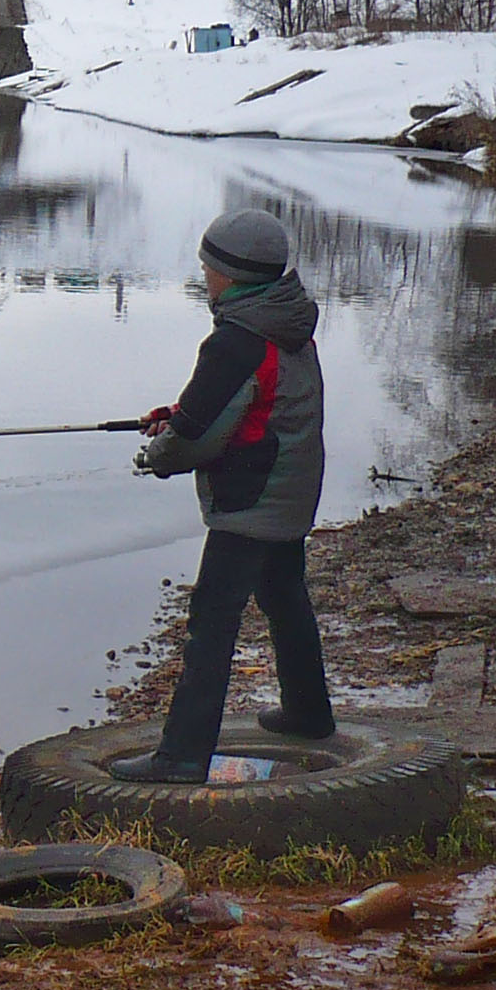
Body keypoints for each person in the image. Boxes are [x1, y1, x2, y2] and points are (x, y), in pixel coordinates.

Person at [112, 208, 335, 783]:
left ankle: (182, 756)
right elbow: (249, 405)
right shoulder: (288, 322)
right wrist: (176, 417)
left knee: (210, 623)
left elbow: (197, 437)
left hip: (250, 500)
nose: (205, 277)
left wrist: (156, 454)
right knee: (286, 600)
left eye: (208, 267)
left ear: (230, 276)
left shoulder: (235, 340)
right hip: (291, 493)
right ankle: (309, 715)